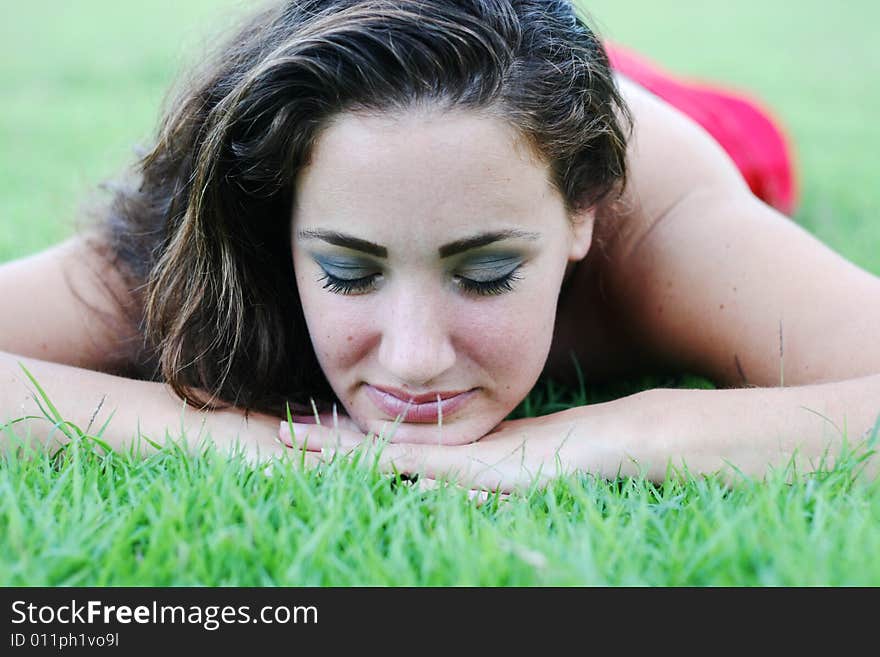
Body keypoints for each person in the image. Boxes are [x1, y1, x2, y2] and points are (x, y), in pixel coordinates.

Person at [2, 0, 878, 494]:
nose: (415, 358)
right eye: (347, 270)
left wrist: (613, 435)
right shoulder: (219, 224)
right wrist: (254, 440)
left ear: (582, 214)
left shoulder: (660, 218)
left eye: (488, 273)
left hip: (654, 110)